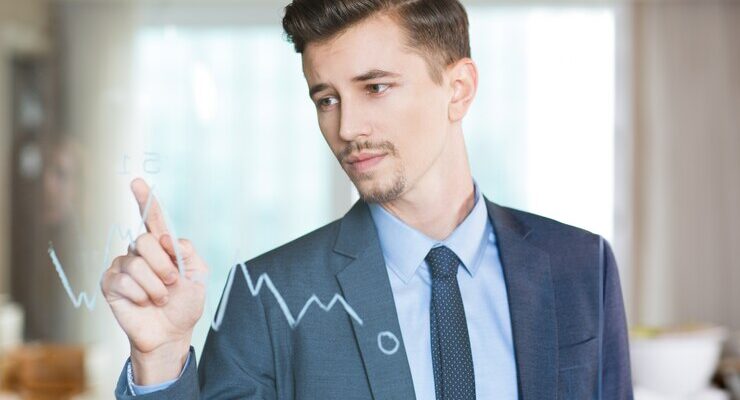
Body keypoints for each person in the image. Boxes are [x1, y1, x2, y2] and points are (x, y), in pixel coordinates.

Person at [102, 0, 633, 398]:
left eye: (375, 87)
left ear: (459, 89)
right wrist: (162, 357)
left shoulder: (582, 267)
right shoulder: (265, 297)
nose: (347, 127)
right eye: (326, 98)